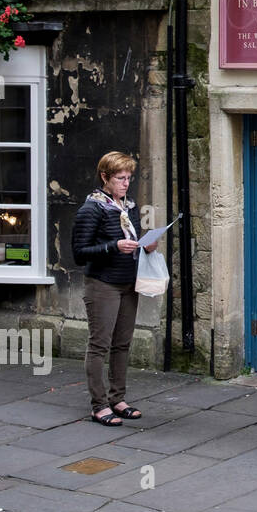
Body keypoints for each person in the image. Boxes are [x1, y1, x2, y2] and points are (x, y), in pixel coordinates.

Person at [71, 151, 159, 426]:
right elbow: (79, 253)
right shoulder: (91, 209)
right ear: (105, 177)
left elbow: (130, 239)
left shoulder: (129, 206)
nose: (126, 183)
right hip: (102, 284)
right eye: (120, 178)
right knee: (99, 345)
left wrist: (147, 244)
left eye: (129, 178)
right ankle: (99, 405)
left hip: (128, 282)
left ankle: (117, 399)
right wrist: (113, 246)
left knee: (122, 344)